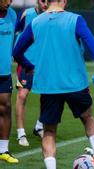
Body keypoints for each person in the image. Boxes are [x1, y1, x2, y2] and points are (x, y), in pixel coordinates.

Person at [13, 0, 94, 168]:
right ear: (64, 1)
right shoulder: (75, 19)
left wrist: (28, 66)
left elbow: (16, 52)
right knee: (88, 118)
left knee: (49, 131)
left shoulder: (36, 21)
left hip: (48, 86)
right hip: (75, 84)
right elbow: (92, 44)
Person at [14, 0, 48, 147]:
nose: (45, 4)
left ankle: (39, 126)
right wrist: (17, 57)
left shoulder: (51, 16)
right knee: (22, 95)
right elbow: (15, 32)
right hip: (26, 62)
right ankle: (21, 133)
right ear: (38, 1)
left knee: (47, 96)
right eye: (42, 1)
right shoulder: (26, 14)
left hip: (44, 63)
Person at [0, 0, 19, 164]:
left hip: (4, 73)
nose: (8, 2)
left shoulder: (12, 14)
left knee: (5, 107)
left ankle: (3, 150)